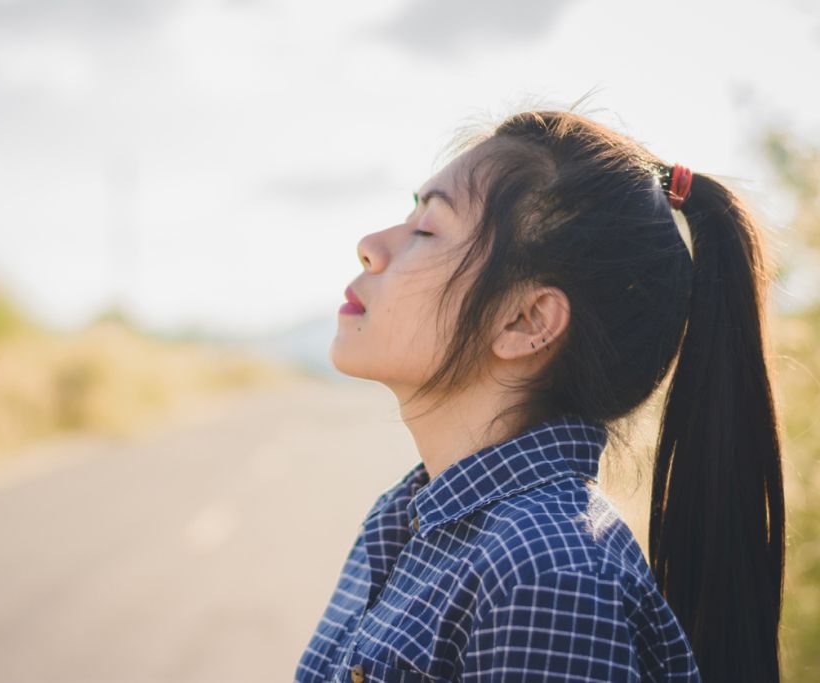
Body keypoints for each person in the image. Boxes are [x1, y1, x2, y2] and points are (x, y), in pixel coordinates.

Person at [294, 109, 785, 682]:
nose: (370, 246)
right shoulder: (404, 521)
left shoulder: (544, 572)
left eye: (426, 230)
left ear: (527, 320)